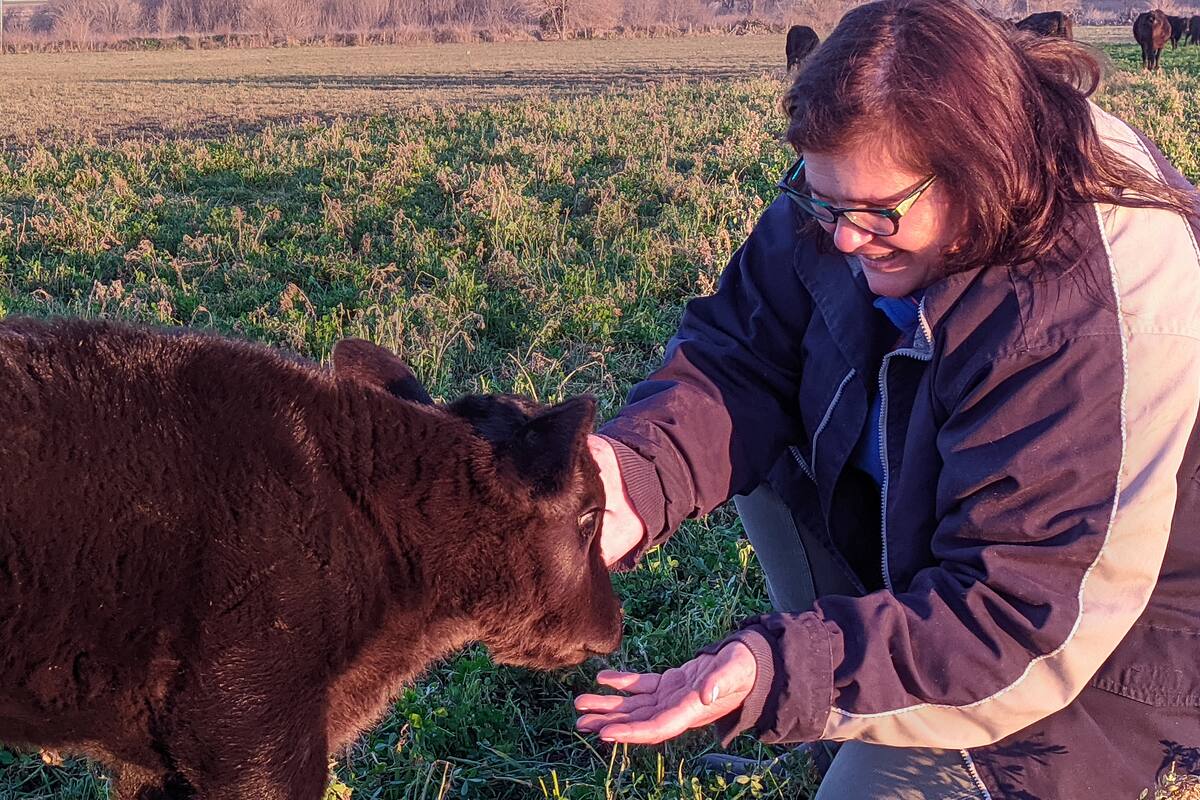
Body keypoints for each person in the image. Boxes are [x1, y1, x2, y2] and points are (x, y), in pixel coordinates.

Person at [572, 1, 1200, 797]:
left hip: (1108, 661)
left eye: (877, 214)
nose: (842, 237)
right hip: (957, 573)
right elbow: (740, 354)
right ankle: (844, 718)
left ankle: (852, 725)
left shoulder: (1089, 304)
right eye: (823, 202)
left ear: (981, 170)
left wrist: (779, 671)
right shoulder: (859, 180)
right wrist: (630, 475)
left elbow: (1022, 620)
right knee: (755, 445)